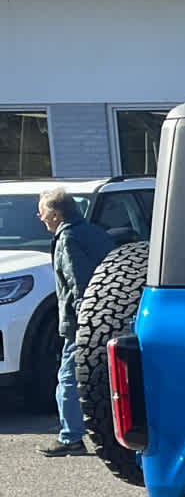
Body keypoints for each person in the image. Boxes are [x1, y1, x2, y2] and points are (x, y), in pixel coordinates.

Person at [35, 188, 113, 457]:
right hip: (108, 316)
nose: (39, 216)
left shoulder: (67, 239)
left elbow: (78, 284)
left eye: (42, 211)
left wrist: (83, 325)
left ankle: (70, 438)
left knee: (67, 378)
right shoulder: (94, 232)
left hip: (83, 322)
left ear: (56, 214)